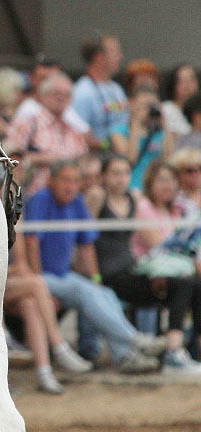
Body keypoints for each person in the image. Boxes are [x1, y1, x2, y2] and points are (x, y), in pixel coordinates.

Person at [23, 160, 163, 373]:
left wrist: (96, 279)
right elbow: (31, 241)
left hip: (61, 276)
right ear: (51, 181)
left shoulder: (77, 200)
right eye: (65, 180)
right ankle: (134, 339)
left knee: (104, 292)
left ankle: (124, 355)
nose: (70, 186)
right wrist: (36, 280)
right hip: (41, 277)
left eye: (75, 181)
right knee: (86, 292)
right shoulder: (41, 199)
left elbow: (87, 245)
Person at [93, 155, 201, 375]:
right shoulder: (131, 202)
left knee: (194, 285)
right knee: (186, 282)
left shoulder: (171, 209)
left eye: (125, 173)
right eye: (115, 173)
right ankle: (173, 354)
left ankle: (187, 351)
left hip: (137, 270)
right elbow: (163, 250)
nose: (168, 185)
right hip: (120, 274)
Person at [5, 234, 93, 394]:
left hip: (10, 286)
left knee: (30, 304)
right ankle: (59, 347)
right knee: (38, 284)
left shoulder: (13, 220)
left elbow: (21, 266)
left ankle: (44, 373)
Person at [4, 72, 88, 195]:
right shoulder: (28, 123)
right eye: (56, 93)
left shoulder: (73, 129)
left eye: (67, 94)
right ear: (43, 96)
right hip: (33, 195)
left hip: (69, 197)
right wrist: (50, 160)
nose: (61, 98)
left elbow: (83, 160)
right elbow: (9, 159)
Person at [72, 32, 127, 150]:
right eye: (115, 52)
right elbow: (78, 135)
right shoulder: (82, 92)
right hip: (99, 159)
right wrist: (110, 145)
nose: (121, 57)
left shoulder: (117, 89)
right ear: (99, 58)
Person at [111, 87, 173, 191]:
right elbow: (130, 159)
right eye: (144, 105)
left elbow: (168, 157)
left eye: (153, 105)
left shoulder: (159, 132)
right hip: (132, 187)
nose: (149, 109)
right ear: (132, 104)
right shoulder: (119, 131)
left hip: (155, 189)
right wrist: (136, 123)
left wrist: (164, 124)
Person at [11, 54, 89, 135]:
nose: (49, 85)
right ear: (32, 79)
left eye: (53, 79)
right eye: (43, 79)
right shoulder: (28, 109)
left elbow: (86, 133)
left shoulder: (62, 107)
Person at [162, 64, 199, 139]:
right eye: (182, 81)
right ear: (173, 85)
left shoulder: (198, 111)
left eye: (191, 79)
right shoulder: (165, 109)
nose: (188, 85)